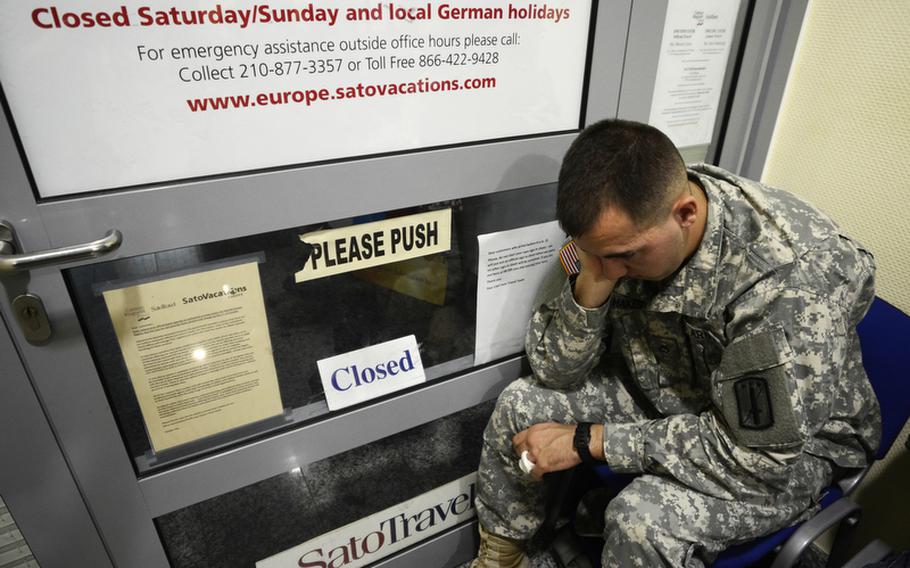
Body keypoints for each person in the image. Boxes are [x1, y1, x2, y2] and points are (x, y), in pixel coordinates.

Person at [471, 119, 880, 568]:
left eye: (625, 254)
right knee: (520, 403)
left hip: (788, 450)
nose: (613, 266)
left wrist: (591, 441)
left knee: (641, 519)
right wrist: (594, 279)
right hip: (675, 389)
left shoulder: (788, 281)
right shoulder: (623, 234)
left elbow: (754, 457)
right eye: (595, 252)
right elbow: (554, 370)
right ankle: (505, 558)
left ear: (686, 213)